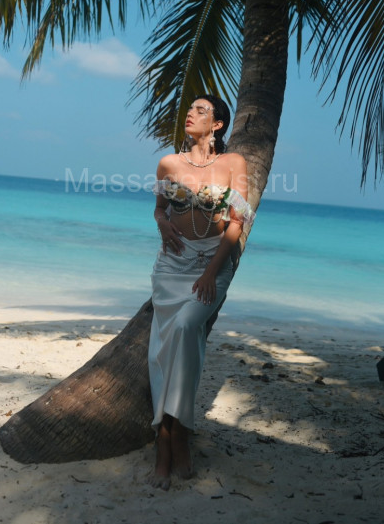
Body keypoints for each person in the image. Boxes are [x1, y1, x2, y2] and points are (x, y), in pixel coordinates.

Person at [149, 94, 254, 490]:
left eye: (200, 110)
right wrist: (162, 223)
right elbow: (159, 208)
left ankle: (174, 432)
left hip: (212, 263)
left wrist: (212, 272)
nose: (190, 114)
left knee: (185, 327)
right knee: (162, 348)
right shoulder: (168, 163)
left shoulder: (233, 164)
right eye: (190, 109)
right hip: (171, 265)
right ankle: (169, 437)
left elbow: (236, 223)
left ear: (217, 124)